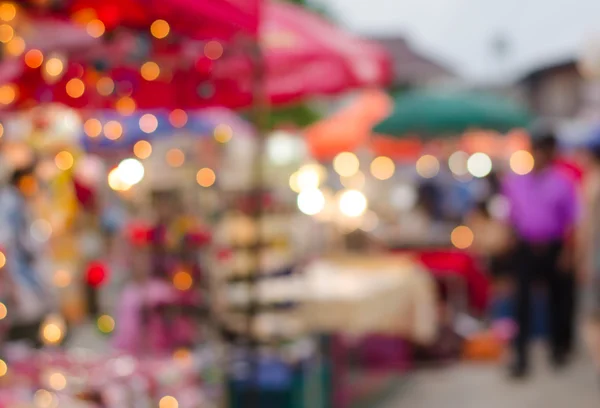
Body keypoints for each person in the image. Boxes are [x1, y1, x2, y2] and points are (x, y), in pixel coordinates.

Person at [502, 129, 578, 378]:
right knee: (521, 304)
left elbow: (572, 222)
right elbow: (511, 218)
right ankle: (521, 357)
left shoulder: (563, 182)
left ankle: (558, 349)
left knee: (558, 301)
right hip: (525, 248)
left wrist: (567, 253)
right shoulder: (515, 182)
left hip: (553, 246)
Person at [0, 166, 51, 346]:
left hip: (21, 274)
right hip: (15, 277)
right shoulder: (10, 203)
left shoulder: (17, 203)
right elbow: (8, 243)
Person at [577, 144, 600, 377]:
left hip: (596, 256)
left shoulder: (593, 183)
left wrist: (582, 258)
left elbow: (588, 227)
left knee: (593, 314)